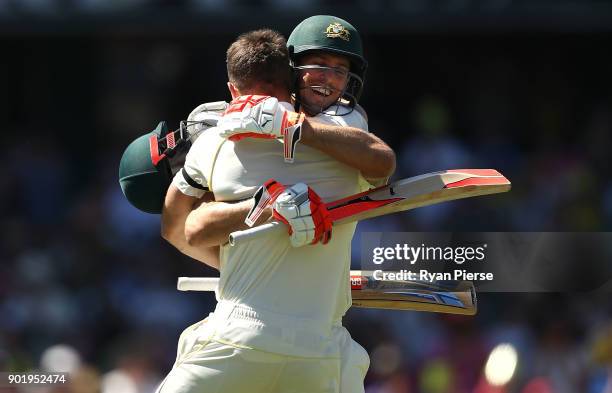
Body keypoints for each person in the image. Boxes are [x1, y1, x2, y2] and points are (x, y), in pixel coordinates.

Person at [157, 18, 394, 393]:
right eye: (319, 66)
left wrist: (294, 128)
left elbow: (180, 228)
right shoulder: (352, 142)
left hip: (242, 337)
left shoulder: (219, 140)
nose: (329, 80)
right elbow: (382, 162)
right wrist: (265, 207)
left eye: (340, 71)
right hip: (319, 350)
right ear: (291, 72)